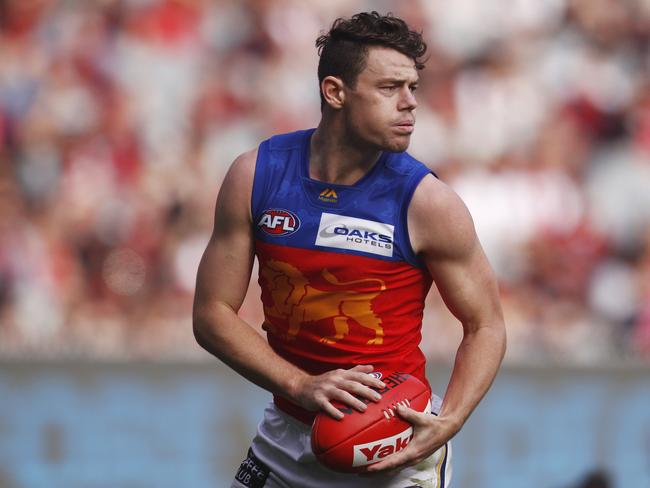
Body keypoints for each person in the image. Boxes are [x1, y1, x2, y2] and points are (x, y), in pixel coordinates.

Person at [193, 11, 506, 488]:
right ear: (335, 92)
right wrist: (300, 385)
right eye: (389, 89)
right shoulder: (255, 175)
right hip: (286, 438)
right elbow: (211, 314)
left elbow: (486, 325)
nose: (409, 105)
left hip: (394, 446)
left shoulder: (428, 203)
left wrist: (450, 421)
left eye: (413, 89)